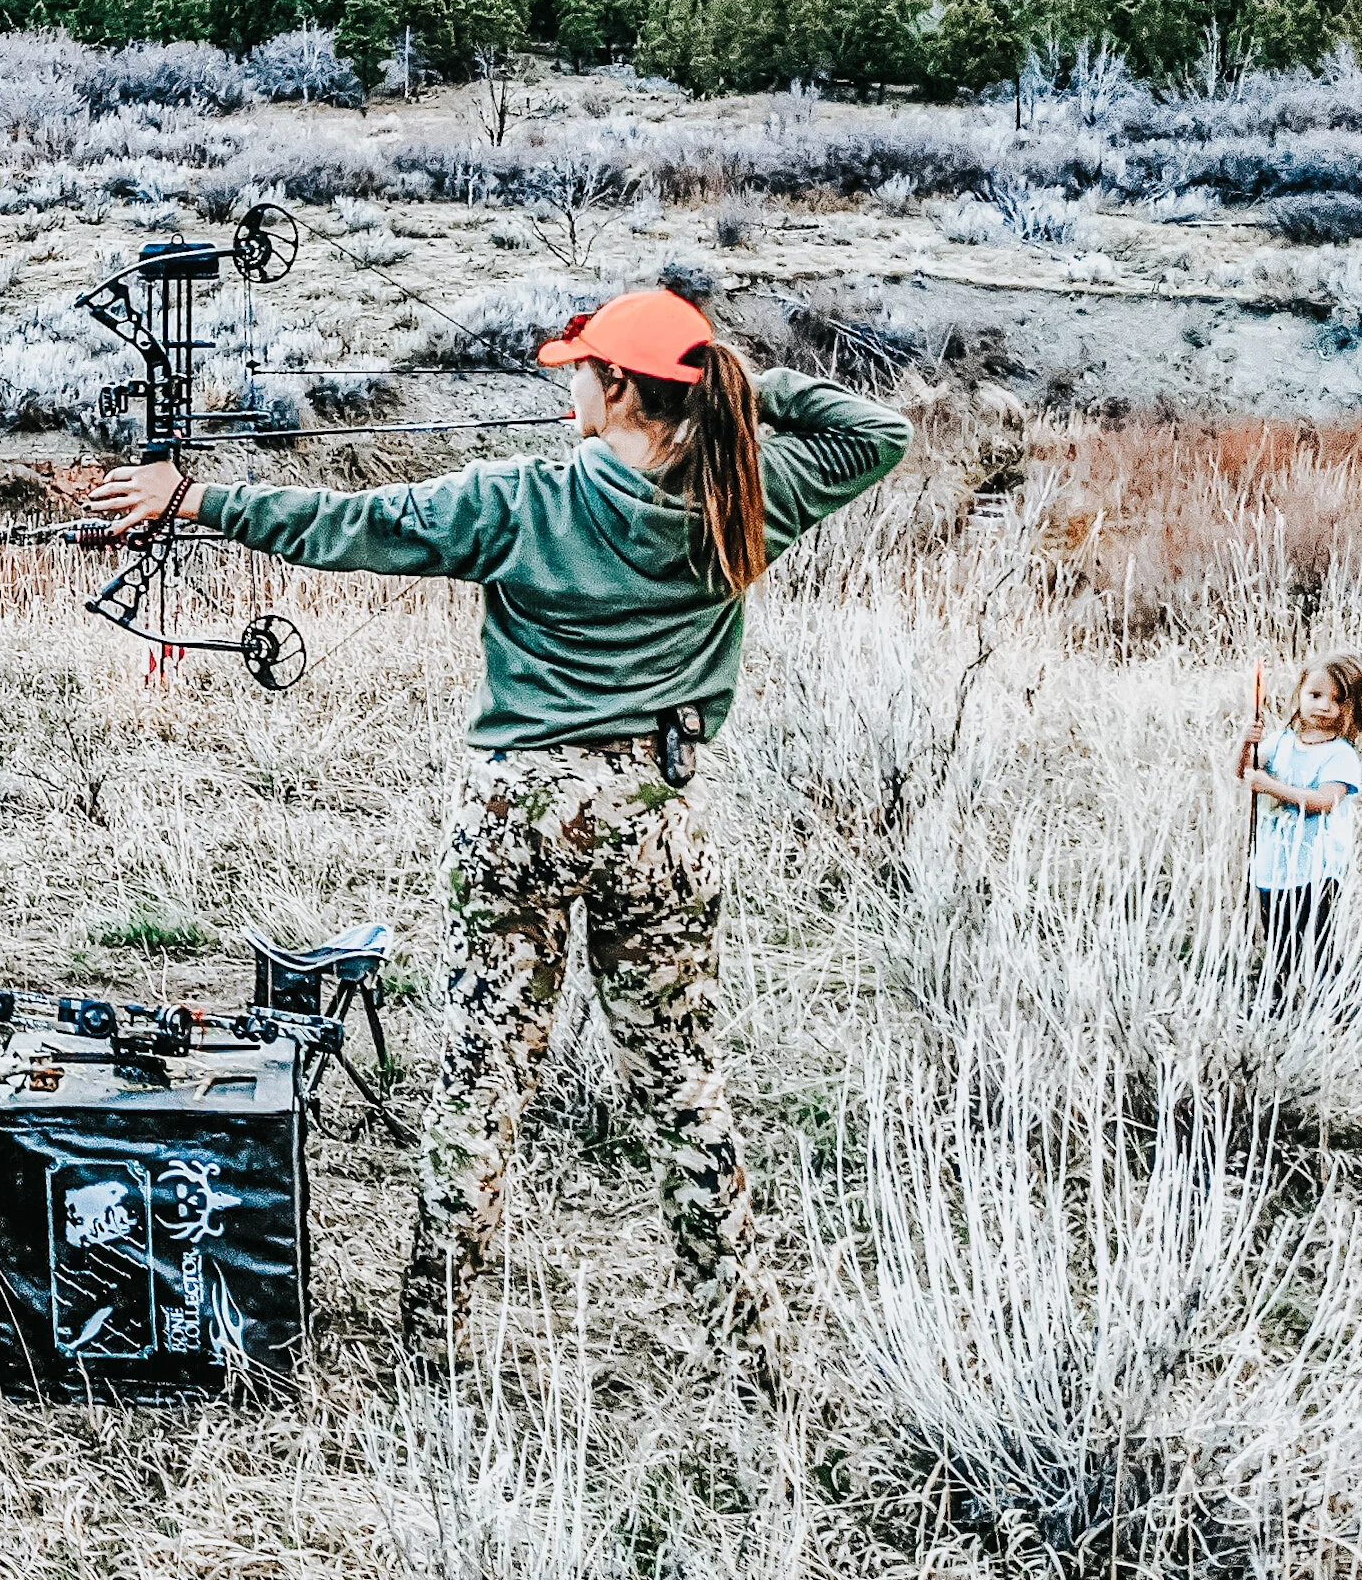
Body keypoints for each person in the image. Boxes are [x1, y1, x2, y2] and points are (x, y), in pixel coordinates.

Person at [85, 288, 911, 1385]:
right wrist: (730, 374)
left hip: (515, 813)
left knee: (478, 1084)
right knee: (682, 1088)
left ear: (617, 385)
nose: (567, 384)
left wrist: (197, 497)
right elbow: (877, 432)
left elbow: (353, 526)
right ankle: (747, 1349)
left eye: (582, 369)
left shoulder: (523, 497)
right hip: (654, 813)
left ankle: (435, 1348)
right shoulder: (746, 488)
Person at [1237, 654, 1362, 1001]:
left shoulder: (1340, 755)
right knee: (1278, 942)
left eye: (1338, 699)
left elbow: (1324, 800)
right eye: (1316, 695)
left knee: (1315, 942)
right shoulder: (1283, 741)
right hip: (1273, 864)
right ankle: (1279, 1001)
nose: (1325, 706)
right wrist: (1245, 743)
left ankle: (1340, 1003)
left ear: (1352, 707)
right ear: (1300, 694)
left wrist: (1269, 786)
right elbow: (1243, 772)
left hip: (1316, 867)